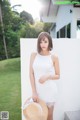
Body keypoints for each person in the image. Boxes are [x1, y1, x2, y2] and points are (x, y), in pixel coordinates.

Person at [29, 32, 60, 120]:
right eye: (41, 42)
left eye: (45, 42)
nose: (43, 44)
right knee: (39, 117)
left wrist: (47, 76)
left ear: (49, 42)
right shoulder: (34, 55)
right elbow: (31, 73)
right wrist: (34, 91)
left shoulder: (54, 57)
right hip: (38, 92)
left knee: (49, 116)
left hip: (50, 91)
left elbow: (58, 75)